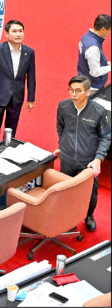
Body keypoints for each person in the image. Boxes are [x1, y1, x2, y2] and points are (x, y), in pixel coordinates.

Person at [54, 75, 110, 232]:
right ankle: (67, 217)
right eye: (71, 90)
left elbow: (106, 137)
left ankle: (89, 216)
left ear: (87, 92)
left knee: (90, 191)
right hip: (67, 157)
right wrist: (62, 145)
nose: (73, 94)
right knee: (65, 189)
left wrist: (98, 159)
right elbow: (61, 128)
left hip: (88, 160)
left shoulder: (98, 111)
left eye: (78, 91)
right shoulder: (63, 106)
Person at [0, 20, 36, 146]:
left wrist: (30, 98)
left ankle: (7, 149)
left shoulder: (29, 52)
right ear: (6, 34)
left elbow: (31, 76)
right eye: (14, 31)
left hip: (17, 97)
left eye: (20, 31)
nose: (18, 34)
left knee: (11, 129)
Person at [78, 14, 111, 92]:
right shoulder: (93, 48)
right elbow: (94, 72)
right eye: (110, 30)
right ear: (103, 29)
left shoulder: (86, 37)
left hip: (83, 77)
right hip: (93, 87)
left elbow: (88, 58)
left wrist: (105, 62)